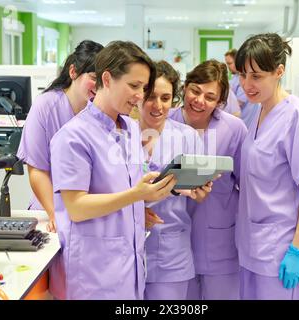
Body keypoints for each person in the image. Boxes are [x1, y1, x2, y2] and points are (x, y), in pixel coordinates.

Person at [49, 41, 178, 300]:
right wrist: (135, 196)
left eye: (144, 88)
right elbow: (77, 206)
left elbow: (130, 182)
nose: (140, 96)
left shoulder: (130, 130)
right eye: (134, 86)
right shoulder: (74, 137)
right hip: (95, 276)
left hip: (130, 271)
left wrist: (141, 206)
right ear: (106, 79)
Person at [235, 33, 299, 300]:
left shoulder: (298, 115)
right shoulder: (257, 110)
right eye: (242, 74)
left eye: (256, 76)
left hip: (282, 248)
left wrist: (297, 249)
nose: (247, 84)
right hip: (253, 245)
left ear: (279, 71)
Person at [16, 39, 103, 299]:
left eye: (104, 79)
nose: (98, 87)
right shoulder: (47, 107)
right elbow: (38, 170)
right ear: (73, 72)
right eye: (93, 78)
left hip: (88, 211)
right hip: (50, 210)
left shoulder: (99, 111)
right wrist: (57, 214)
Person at [169, 59, 247, 300]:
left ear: (220, 102)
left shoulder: (234, 130)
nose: (199, 101)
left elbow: (245, 186)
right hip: (174, 243)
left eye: (210, 97)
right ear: (185, 88)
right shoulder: (165, 123)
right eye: (195, 90)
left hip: (221, 239)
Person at [138, 60, 212, 300]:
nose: (157, 106)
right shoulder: (119, 136)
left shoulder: (188, 138)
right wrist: (135, 211)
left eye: (165, 98)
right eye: (151, 96)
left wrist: (202, 193)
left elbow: (198, 191)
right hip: (126, 252)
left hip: (172, 253)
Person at [225, 49, 259, 129]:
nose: (228, 67)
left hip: (245, 122)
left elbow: (239, 103)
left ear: (237, 62)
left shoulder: (244, 79)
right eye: (227, 64)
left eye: (230, 63)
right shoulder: (234, 78)